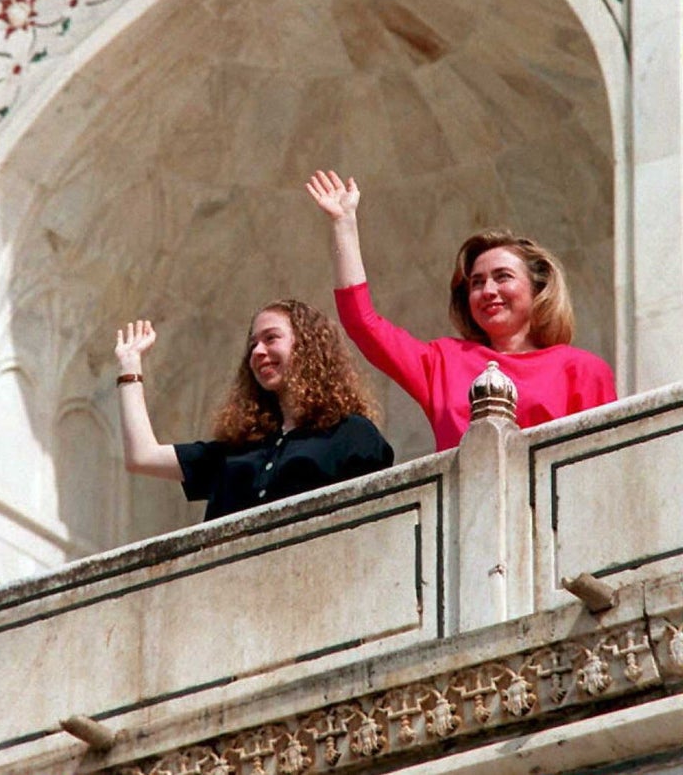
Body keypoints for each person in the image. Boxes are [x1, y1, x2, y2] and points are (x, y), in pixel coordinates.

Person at [306, 169, 617, 452]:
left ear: (539, 288)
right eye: (477, 283)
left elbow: (605, 459)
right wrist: (343, 225)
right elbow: (362, 322)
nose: (488, 291)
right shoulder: (444, 362)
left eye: (503, 277)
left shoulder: (583, 370)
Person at [115, 300, 394, 520]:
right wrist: (130, 366)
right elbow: (141, 456)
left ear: (307, 346)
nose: (258, 351)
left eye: (271, 338)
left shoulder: (351, 434)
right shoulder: (238, 449)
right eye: (252, 345)